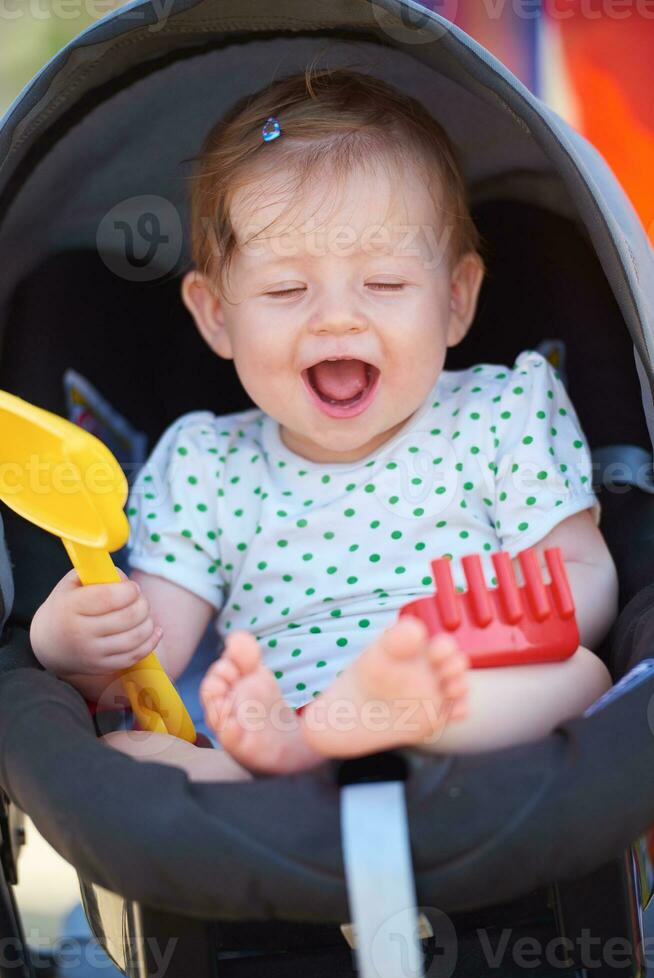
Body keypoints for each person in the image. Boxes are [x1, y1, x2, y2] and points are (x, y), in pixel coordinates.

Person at [29, 66, 616, 782]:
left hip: (463, 708)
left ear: (456, 301)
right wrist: (75, 641)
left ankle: (361, 730)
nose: (337, 316)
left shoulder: (503, 412)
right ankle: (290, 756)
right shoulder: (207, 465)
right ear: (218, 315)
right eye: (286, 289)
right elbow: (145, 662)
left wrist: (480, 642)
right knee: (126, 752)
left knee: (582, 674)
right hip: (274, 730)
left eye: (385, 284)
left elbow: (586, 576)